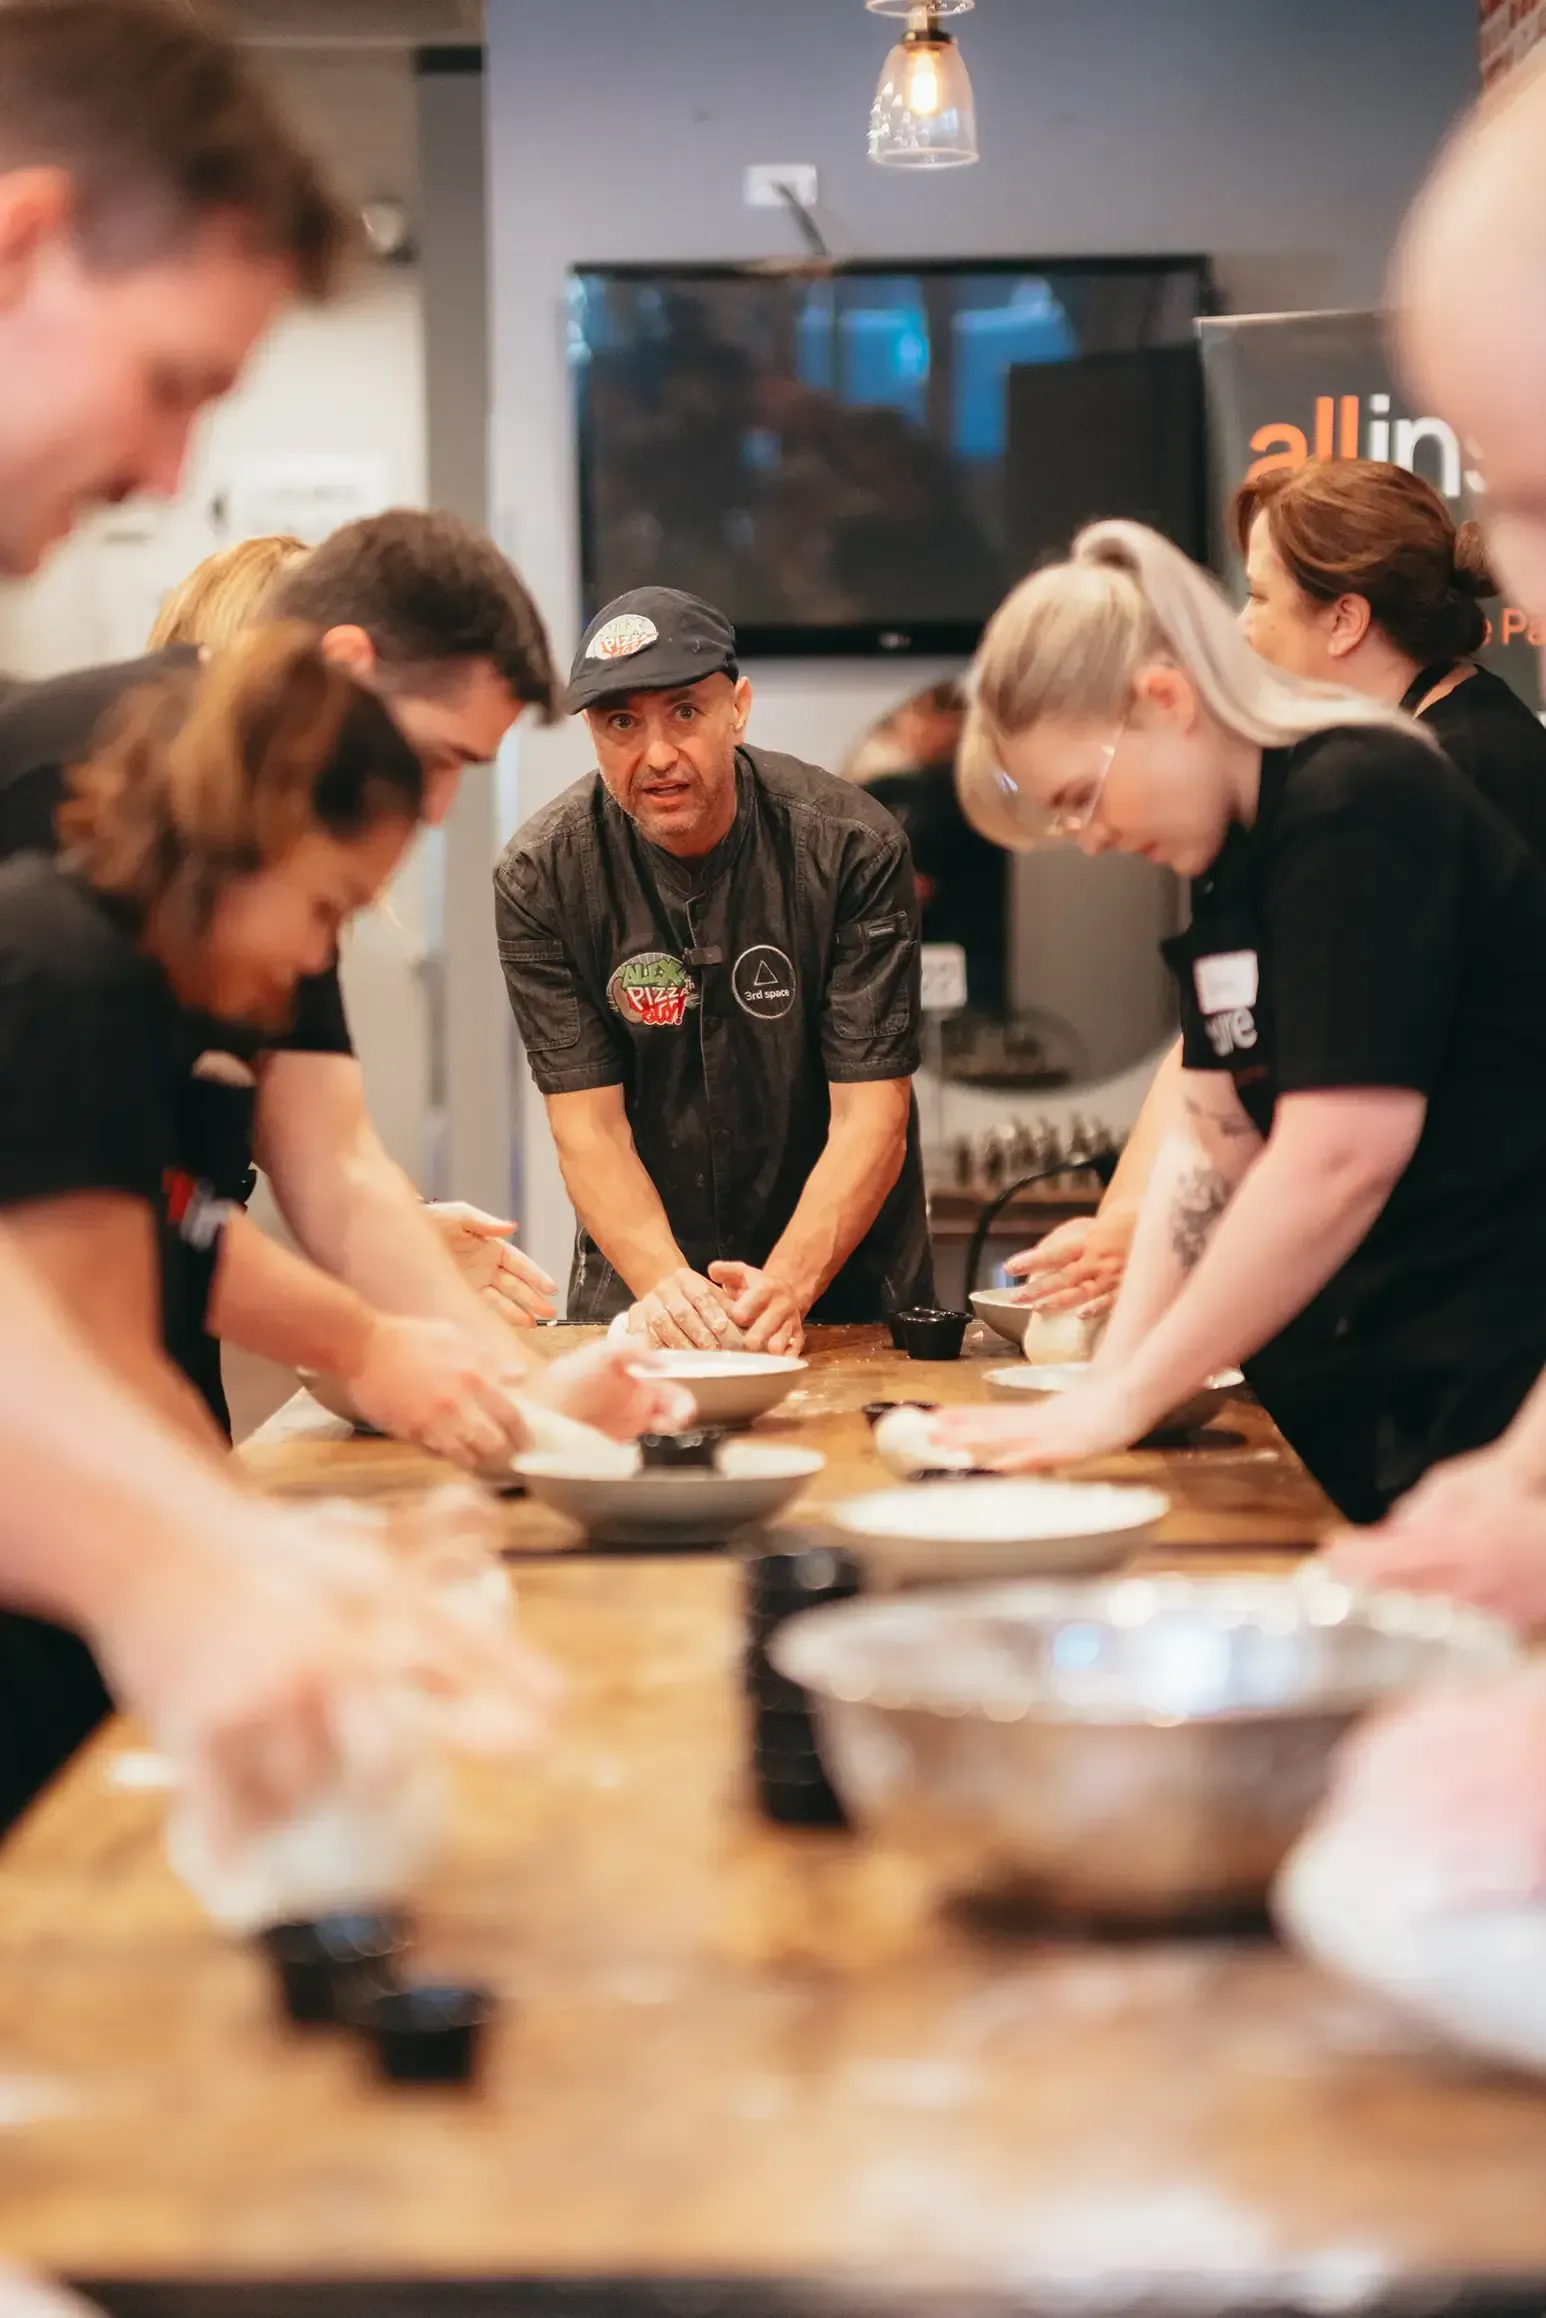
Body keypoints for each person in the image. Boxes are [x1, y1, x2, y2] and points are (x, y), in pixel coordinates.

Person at [928, 520, 1546, 1523]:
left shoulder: (1359, 799)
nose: (1088, 841)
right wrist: (1108, 1383)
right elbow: (1212, 1145)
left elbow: (1339, 1155)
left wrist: (1122, 1398)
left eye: (1083, 798)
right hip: (1358, 1381)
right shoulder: (1236, 862)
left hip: (1478, 1384)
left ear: (1163, 701)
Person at [0, 510, 564, 1437]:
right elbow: (92, 1268)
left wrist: (520, 1395)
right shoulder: (65, 913)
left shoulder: (259, 869)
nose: (434, 806)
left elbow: (278, 1178)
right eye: (435, 757)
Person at [1006, 457, 1546, 1324]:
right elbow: (1215, 1056)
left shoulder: (1448, 775)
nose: (1241, 629)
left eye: (1258, 598)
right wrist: (1131, 1224)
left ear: (1344, 620)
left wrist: (1130, 1368)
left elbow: (1349, 1130)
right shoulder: (1318, 778)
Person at [495, 586, 934, 1352]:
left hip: (846, 1286)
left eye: (685, 712)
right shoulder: (541, 877)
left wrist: (787, 1287)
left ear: (739, 708)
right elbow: (587, 1127)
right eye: (620, 722)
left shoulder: (852, 849)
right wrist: (671, 1291)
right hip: (642, 1284)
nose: (657, 754)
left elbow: (873, 1114)